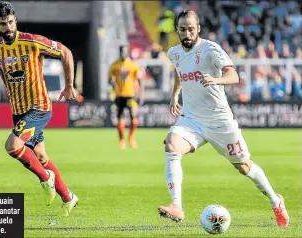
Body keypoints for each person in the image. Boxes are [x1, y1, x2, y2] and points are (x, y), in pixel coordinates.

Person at [158, 10, 289, 227]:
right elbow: (178, 70)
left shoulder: (210, 50)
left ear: (198, 28)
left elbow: (234, 75)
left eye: (191, 29)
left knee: (245, 167)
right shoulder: (175, 52)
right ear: (177, 31)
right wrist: (174, 94)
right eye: (182, 29)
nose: (187, 33)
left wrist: (216, 79)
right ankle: (177, 206)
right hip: (191, 119)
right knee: (171, 146)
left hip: (220, 121)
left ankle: (276, 201)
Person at [0, 2, 78, 216]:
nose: (7, 27)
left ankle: (47, 179)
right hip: (18, 111)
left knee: (13, 146)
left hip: (39, 107)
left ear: (15, 20)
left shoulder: (32, 42)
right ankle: (68, 196)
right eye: (2, 24)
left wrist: (69, 86)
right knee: (41, 156)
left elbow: (66, 52)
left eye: (10, 22)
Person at [108, 45, 144, 149]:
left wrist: (141, 94)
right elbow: (110, 79)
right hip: (119, 95)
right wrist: (112, 83)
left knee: (133, 115)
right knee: (120, 117)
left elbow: (140, 80)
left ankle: (131, 137)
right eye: (121, 52)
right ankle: (121, 140)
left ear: (127, 52)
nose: (122, 54)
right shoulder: (114, 65)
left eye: (124, 52)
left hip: (131, 95)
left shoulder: (133, 65)